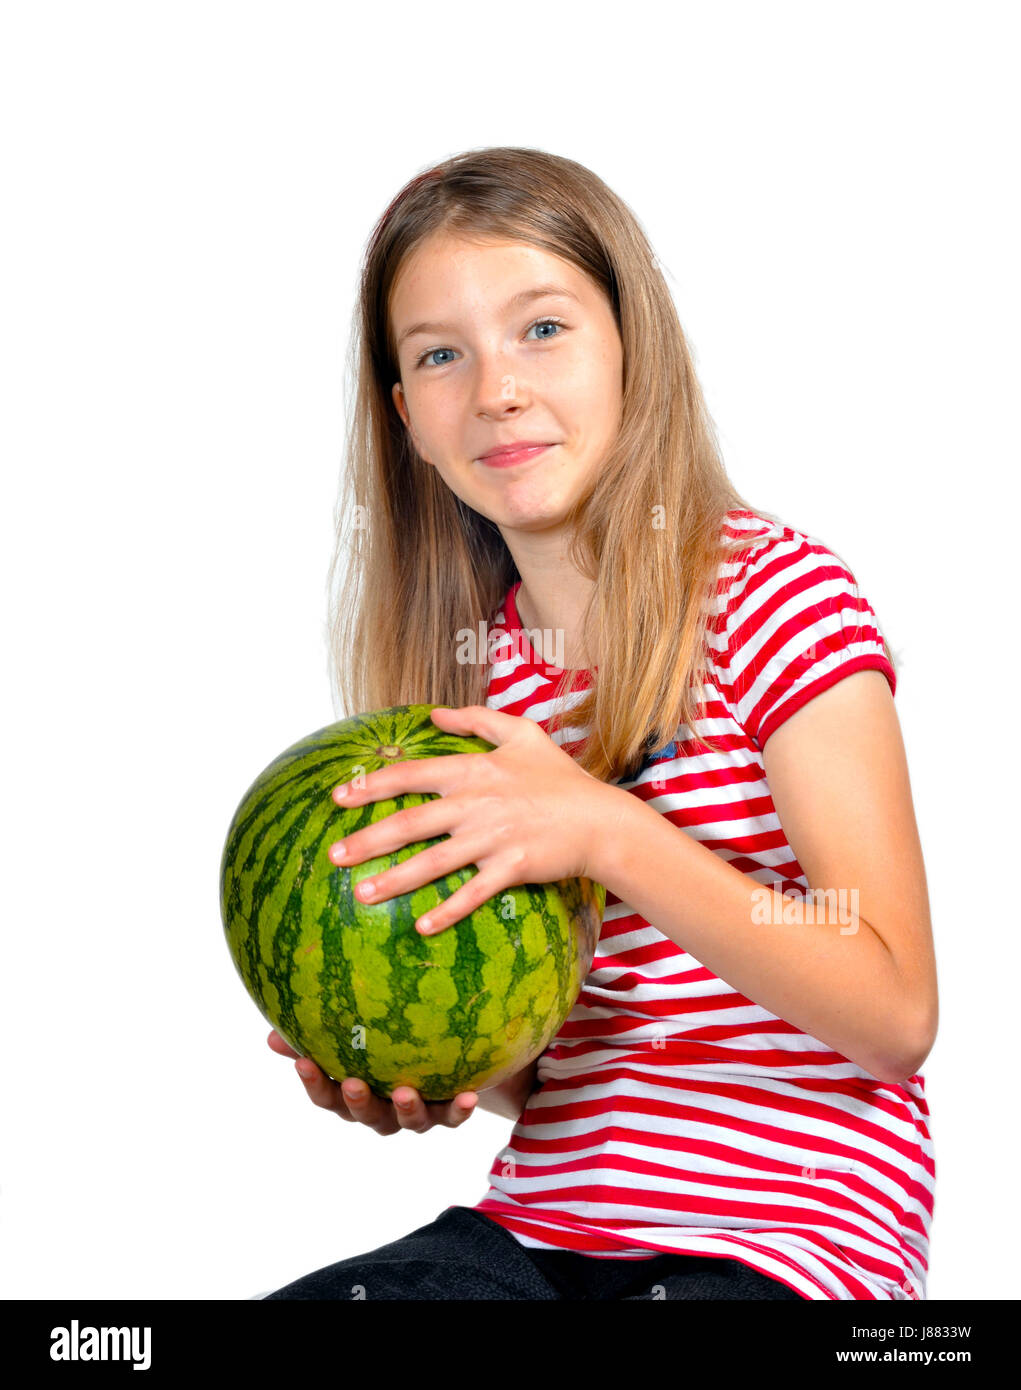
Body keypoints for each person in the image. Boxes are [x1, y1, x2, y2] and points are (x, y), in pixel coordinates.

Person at [260, 146, 937, 1301]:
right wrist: (429, 1066)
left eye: (541, 330)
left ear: (633, 344)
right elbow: (564, 1058)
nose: (496, 390)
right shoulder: (479, 698)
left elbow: (894, 1012)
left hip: (784, 1244)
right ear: (407, 419)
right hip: (539, 1234)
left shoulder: (775, 597)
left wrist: (604, 830)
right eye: (439, 355)